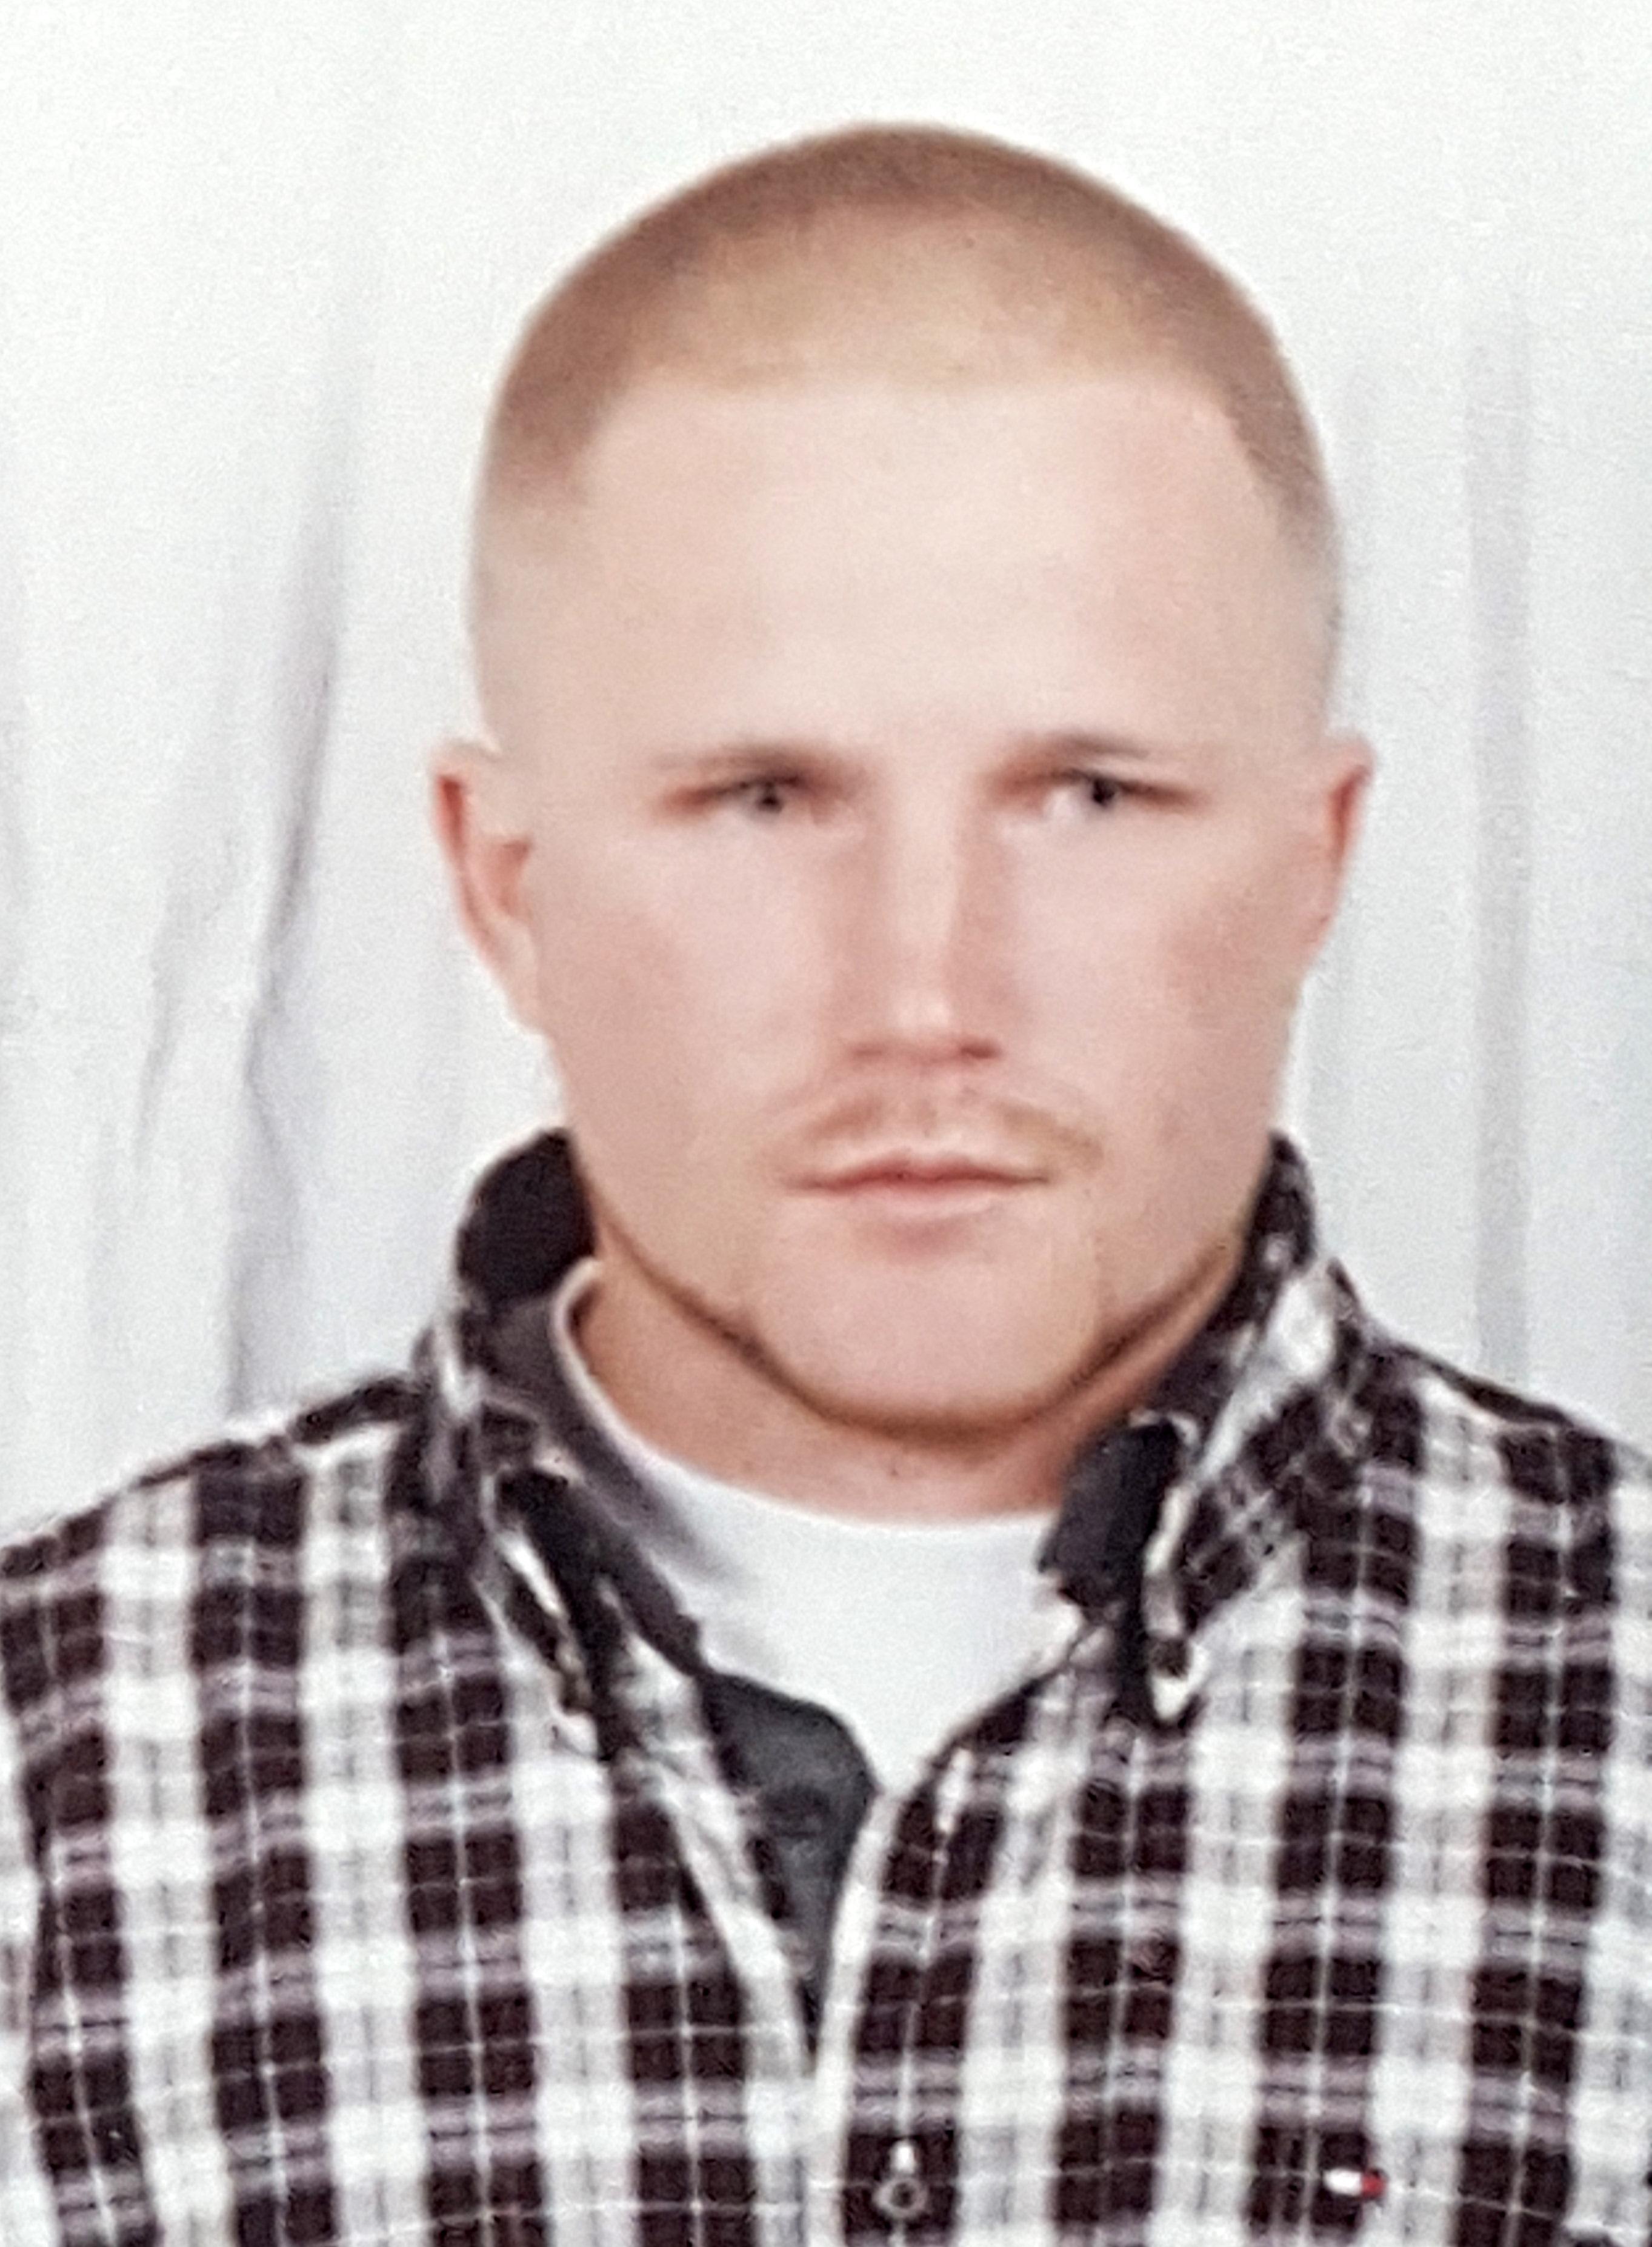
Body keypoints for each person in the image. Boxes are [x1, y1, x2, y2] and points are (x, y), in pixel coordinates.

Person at [1, 123, 1647, 2247]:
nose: (927, 993)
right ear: (505, 884)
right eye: (766, 798)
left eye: (1089, 794)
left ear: (1313, 862)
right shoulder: (51, 1779)